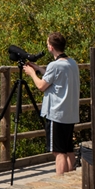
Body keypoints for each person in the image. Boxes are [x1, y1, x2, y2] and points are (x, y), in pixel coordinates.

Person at [23, 32, 80, 174]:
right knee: (68, 149)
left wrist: (32, 74)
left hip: (57, 114)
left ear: (51, 47)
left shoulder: (54, 66)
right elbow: (55, 77)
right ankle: (71, 182)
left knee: (58, 152)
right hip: (70, 113)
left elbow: (42, 86)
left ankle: (60, 184)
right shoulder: (72, 63)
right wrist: (38, 68)